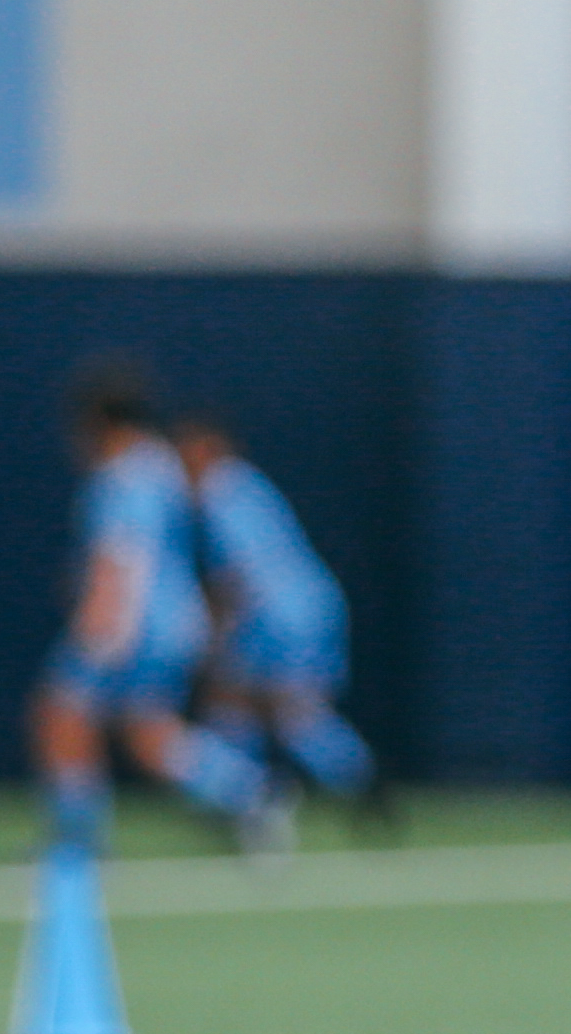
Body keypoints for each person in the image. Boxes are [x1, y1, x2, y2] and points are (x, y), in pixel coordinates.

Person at [35, 362, 285, 856]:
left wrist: (96, 625)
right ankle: (248, 790)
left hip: (131, 624)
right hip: (174, 622)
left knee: (60, 713)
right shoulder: (163, 466)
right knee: (147, 732)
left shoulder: (118, 476)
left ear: (96, 421)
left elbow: (120, 557)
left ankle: (75, 841)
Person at [180, 413, 382, 817]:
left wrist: (209, 629)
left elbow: (239, 574)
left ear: (209, 448)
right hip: (305, 605)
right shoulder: (245, 485)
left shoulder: (222, 489)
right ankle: (242, 793)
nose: (181, 464)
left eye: (186, 453)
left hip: (281, 615)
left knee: (280, 708)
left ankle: (248, 792)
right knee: (253, 703)